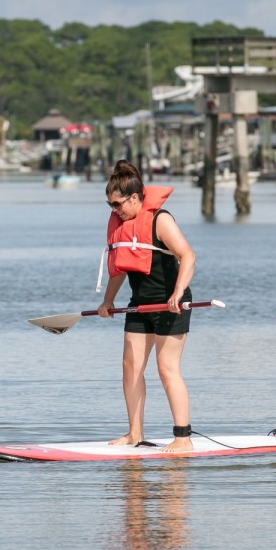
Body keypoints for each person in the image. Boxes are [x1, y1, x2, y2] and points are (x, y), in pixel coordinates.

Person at [96, 160, 196, 452]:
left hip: (170, 304)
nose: (114, 211)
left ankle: (182, 437)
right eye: (110, 205)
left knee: (167, 369)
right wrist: (107, 301)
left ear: (135, 198)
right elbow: (119, 267)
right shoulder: (121, 226)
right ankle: (134, 434)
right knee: (130, 368)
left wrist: (177, 293)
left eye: (117, 205)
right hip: (139, 305)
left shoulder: (159, 220)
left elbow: (188, 256)